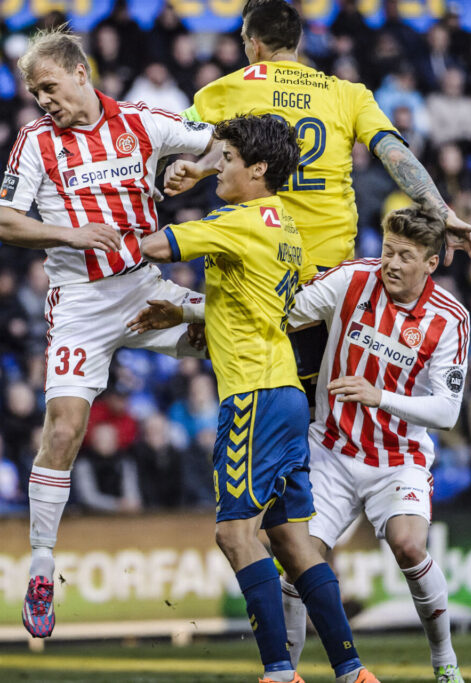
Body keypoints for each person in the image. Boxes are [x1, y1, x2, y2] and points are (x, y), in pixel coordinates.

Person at [131, 114, 377, 683]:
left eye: (229, 158)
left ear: (257, 168)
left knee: (234, 533)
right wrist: (190, 310)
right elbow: (255, 303)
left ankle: (277, 671)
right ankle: (351, 670)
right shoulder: (285, 223)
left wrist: (90, 221)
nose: (219, 167)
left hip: (251, 396)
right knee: (291, 539)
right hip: (287, 392)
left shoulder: (235, 220)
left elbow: (152, 247)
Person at [0, 27, 215, 638]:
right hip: (81, 305)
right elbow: (7, 223)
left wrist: (195, 171)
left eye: (50, 87)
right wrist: (69, 234)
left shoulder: (143, 122)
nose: (44, 101)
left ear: (81, 73)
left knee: (234, 332)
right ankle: (41, 568)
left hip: (147, 287)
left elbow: (221, 143)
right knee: (64, 425)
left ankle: (280, 510)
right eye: (36, 93)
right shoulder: (36, 142)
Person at [169, 0, 471, 396]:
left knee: (255, 392)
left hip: (260, 263)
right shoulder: (346, 94)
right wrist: (442, 210)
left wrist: (194, 167)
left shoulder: (233, 86)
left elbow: (176, 132)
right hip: (328, 271)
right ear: (298, 41)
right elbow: (393, 153)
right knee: (320, 397)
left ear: (254, 45)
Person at [279, 208, 469, 683]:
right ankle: (284, 673)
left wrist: (378, 395)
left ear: (432, 262)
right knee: (297, 559)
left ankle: (445, 662)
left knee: (408, 546)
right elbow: (286, 314)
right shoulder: (352, 279)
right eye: (388, 249)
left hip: (398, 459)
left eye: (406, 255)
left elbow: (447, 413)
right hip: (331, 447)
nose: (392, 263)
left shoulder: (450, 319)